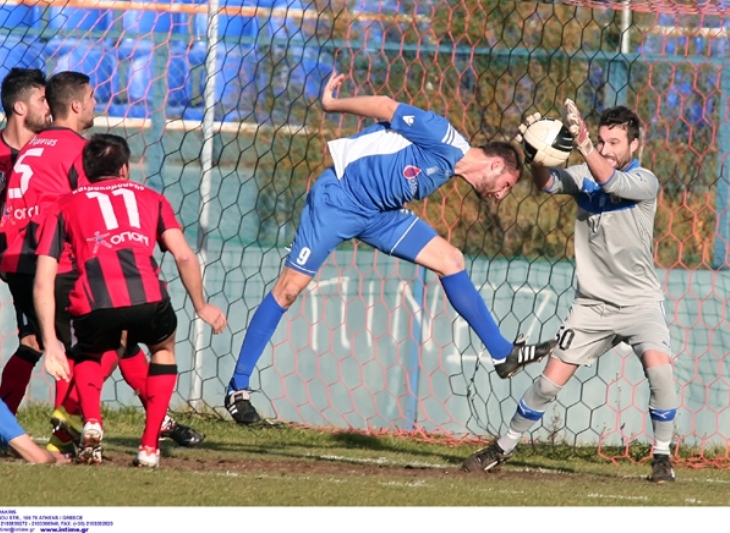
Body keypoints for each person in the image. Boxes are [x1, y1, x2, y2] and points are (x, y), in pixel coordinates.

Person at [223, 71, 558, 425]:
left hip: (380, 215)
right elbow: (385, 107)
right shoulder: (443, 136)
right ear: (494, 164)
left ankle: (504, 354)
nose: (500, 194)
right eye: (505, 185)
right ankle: (237, 389)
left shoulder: (447, 170)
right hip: (338, 199)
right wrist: (332, 104)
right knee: (288, 291)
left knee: (451, 260)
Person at [462, 102, 678, 483]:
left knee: (661, 375)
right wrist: (537, 153)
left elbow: (612, 181)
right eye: (601, 140)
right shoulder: (584, 173)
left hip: (640, 304)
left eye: (614, 142)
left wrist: (584, 145)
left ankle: (662, 456)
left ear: (635, 145)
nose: (606, 148)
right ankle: (504, 446)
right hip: (592, 307)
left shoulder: (645, 182)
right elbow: (546, 183)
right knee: (547, 382)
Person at [0, 71, 203, 454]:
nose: (96, 103)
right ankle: (70, 431)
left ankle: (56, 425)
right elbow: (95, 206)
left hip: (15, 255)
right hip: (50, 260)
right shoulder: (77, 149)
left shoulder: (33, 145)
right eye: (92, 97)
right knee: (97, 340)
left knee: (53, 341)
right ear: (76, 106)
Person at [34, 133, 227, 468]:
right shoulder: (152, 197)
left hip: (94, 301)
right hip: (148, 296)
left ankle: (91, 419)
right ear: (125, 168)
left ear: (85, 169)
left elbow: (42, 280)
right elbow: (183, 256)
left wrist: (50, 341)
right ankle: (150, 446)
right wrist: (201, 305)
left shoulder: (63, 204)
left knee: (92, 349)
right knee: (163, 347)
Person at [0, 67, 49, 415]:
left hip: (60, 257)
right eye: (42, 99)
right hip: (20, 261)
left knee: (51, 342)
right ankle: (6, 422)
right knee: (36, 341)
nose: (50, 107)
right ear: (19, 107)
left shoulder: (54, 146)